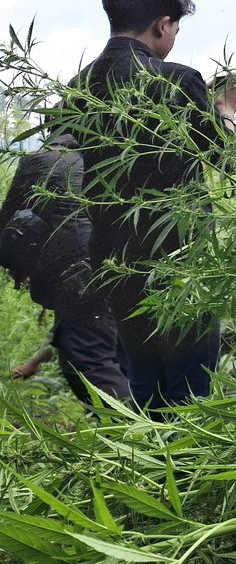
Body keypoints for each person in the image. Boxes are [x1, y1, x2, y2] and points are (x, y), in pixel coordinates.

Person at [65, 0, 236, 412]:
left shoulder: (78, 89)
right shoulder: (177, 80)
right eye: (175, 28)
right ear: (163, 24)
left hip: (115, 262)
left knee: (144, 383)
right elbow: (224, 158)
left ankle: (147, 473)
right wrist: (225, 111)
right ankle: (184, 475)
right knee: (189, 390)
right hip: (182, 262)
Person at [0, 133, 130, 404]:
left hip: (77, 276)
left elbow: (7, 220)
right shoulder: (109, 159)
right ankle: (153, 427)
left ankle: (135, 433)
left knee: (89, 364)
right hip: (120, 270)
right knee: (119, 355)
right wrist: (35, 362)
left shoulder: (37, 161)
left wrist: (18, 263)